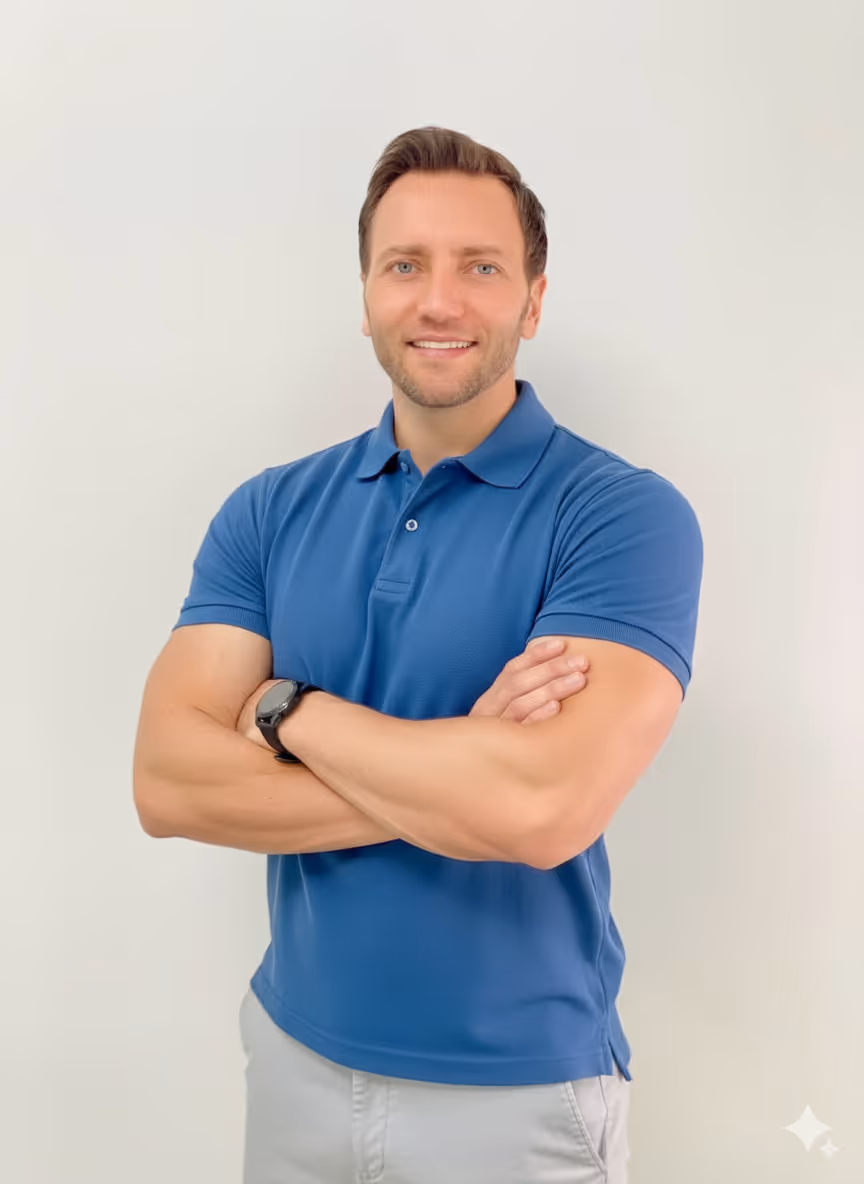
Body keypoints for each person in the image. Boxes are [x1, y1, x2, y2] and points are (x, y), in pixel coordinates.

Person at [133, 125, 703, 1183]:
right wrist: (462, 771)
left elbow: (541, 810)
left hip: (519, 1095)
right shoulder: (269, 509)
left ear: (533, 299)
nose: (439, 301)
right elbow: (167, 783)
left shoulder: (620, 516)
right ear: (366, 296)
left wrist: (288, 711)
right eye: (405, 265)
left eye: (480, 267)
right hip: (292, 1056)